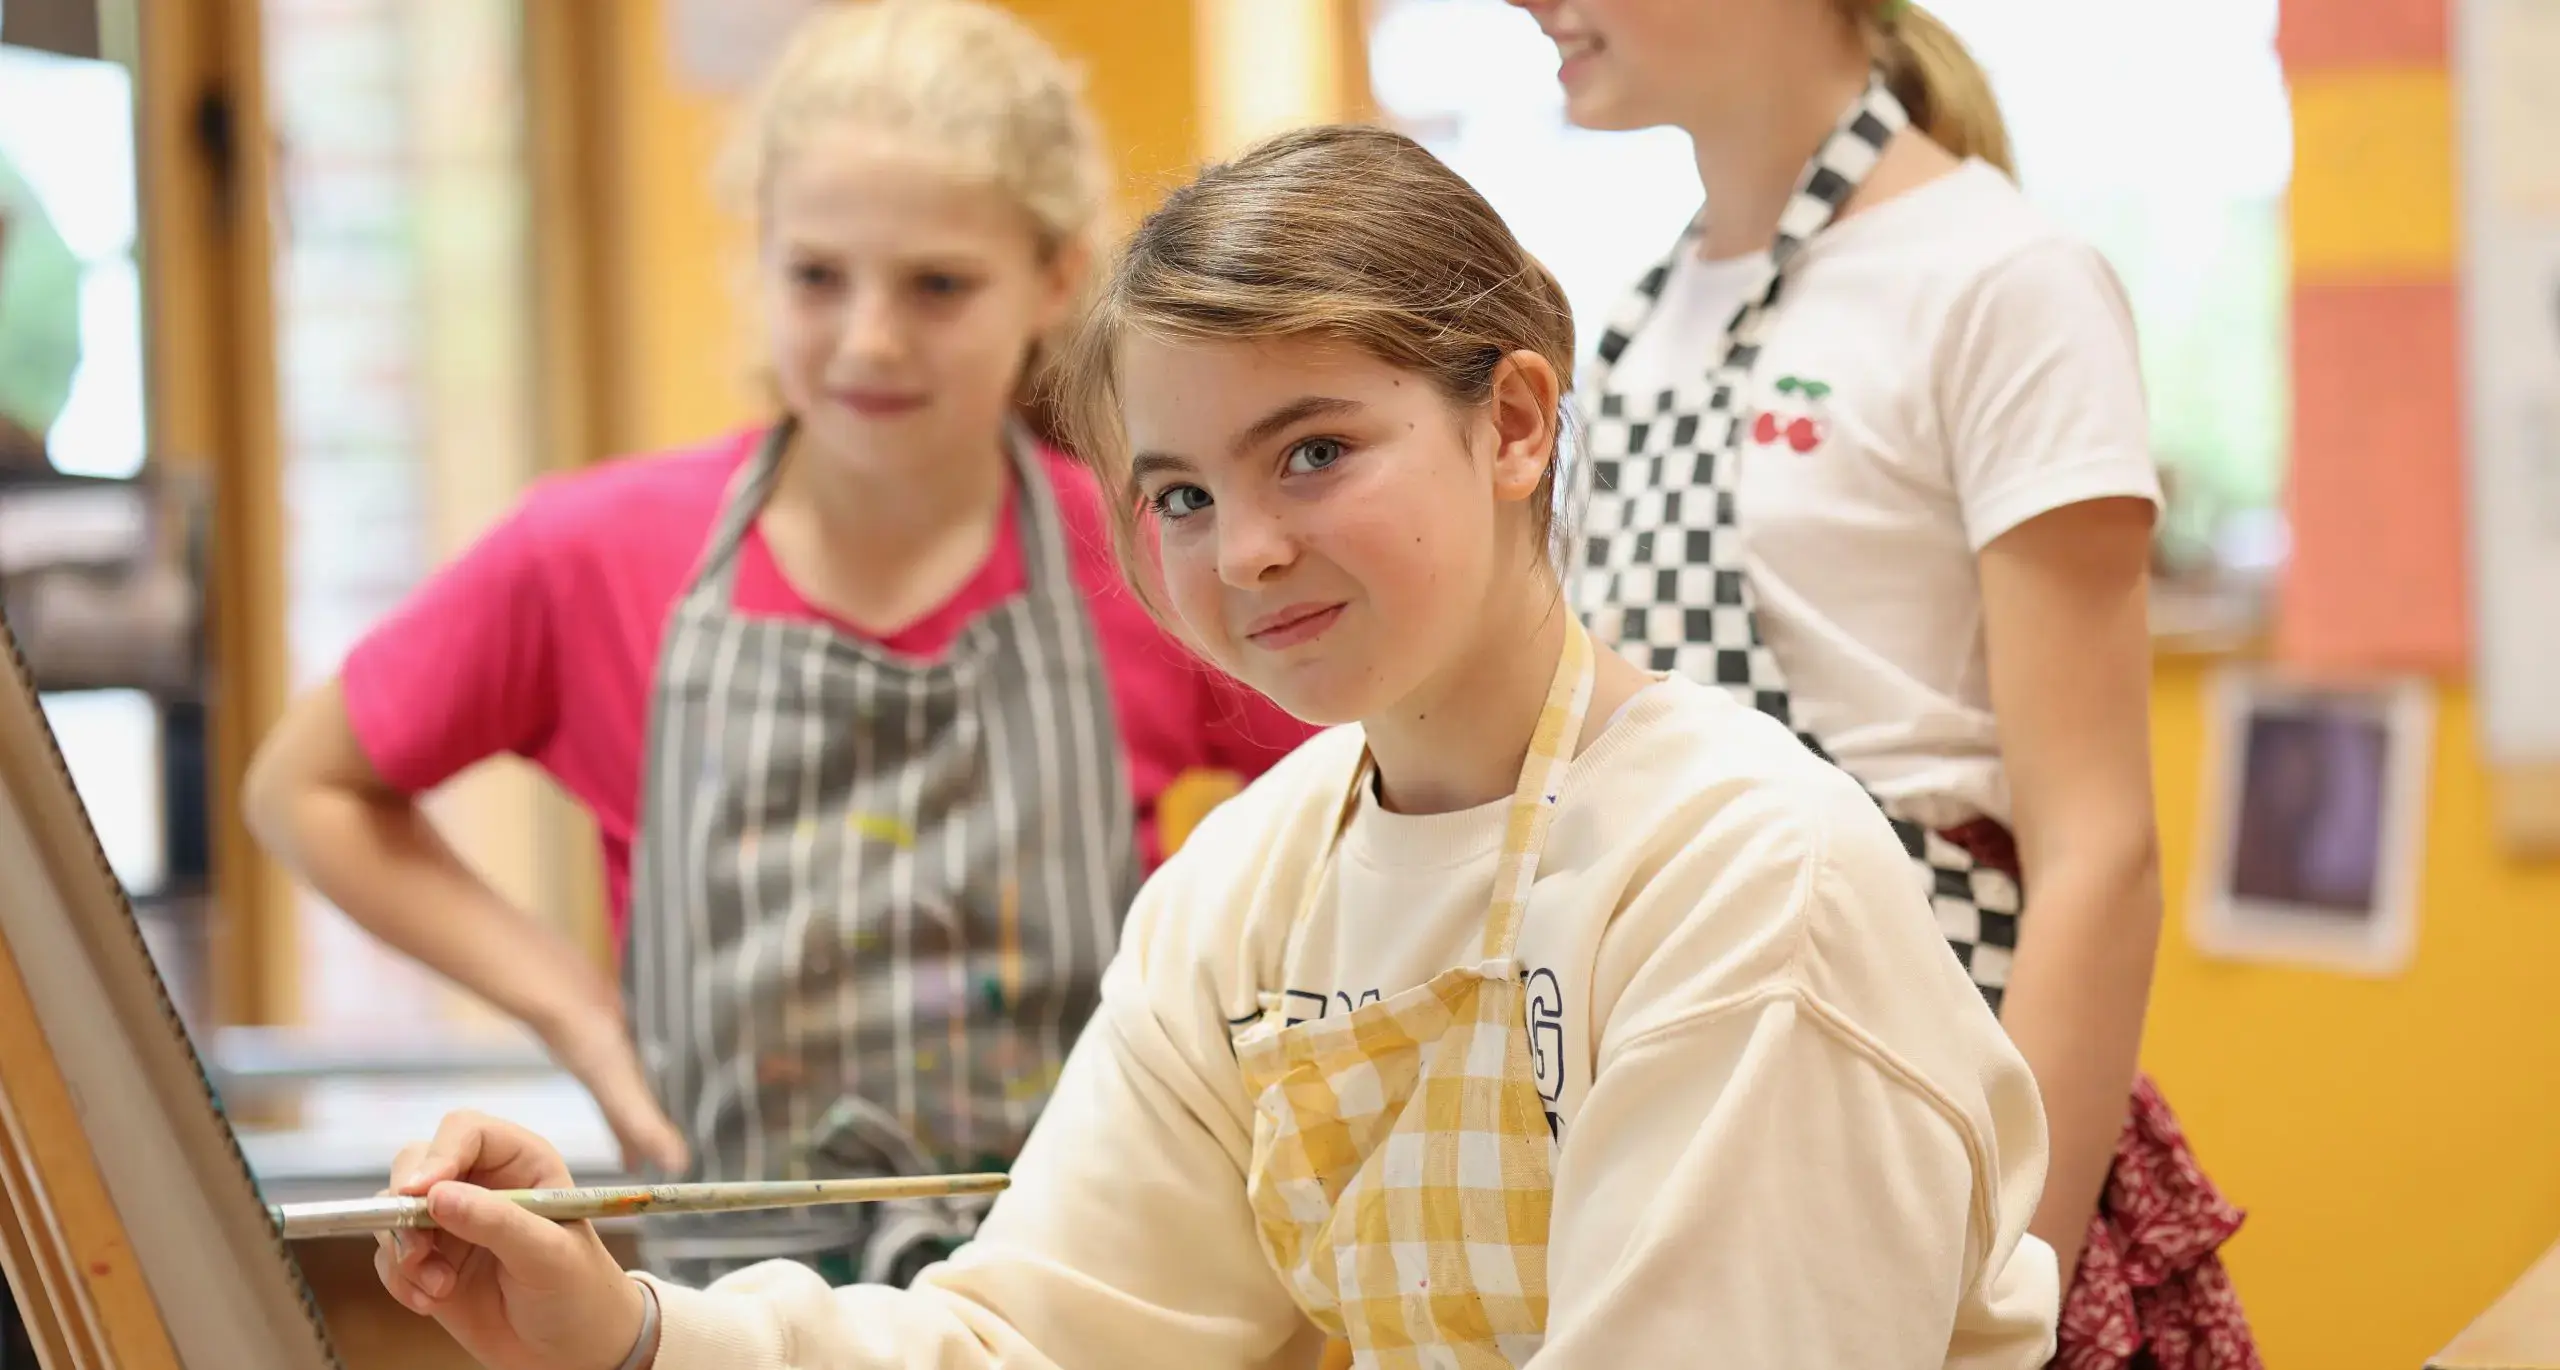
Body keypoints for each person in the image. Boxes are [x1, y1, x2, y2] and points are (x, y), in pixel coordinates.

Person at [368, 122, 2064, 1370]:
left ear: (1518, 423)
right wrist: (636, 1324)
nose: (1241, 548)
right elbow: (1038, 1333)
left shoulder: (1742, 875)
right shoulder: (1260, 876)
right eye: (1177, 492)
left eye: (1313, 450)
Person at [243, 0, 1311, 1289]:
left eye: (938, 284)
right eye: (817, 276)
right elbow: (303, 788)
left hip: (1078, 1291)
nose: (869, 337)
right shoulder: (594, 554)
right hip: (721, 1311)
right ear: (758, 257)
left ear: (1054, 277)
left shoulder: (1148, 553)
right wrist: (574, 1012)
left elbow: (1364, 802)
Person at [1505, 0, 2259, 1363]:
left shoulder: (2000, 281)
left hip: (1921, 1104)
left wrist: (2003, 1274)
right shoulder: (1630, 320)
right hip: (1678, 1103)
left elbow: (2100, 850)